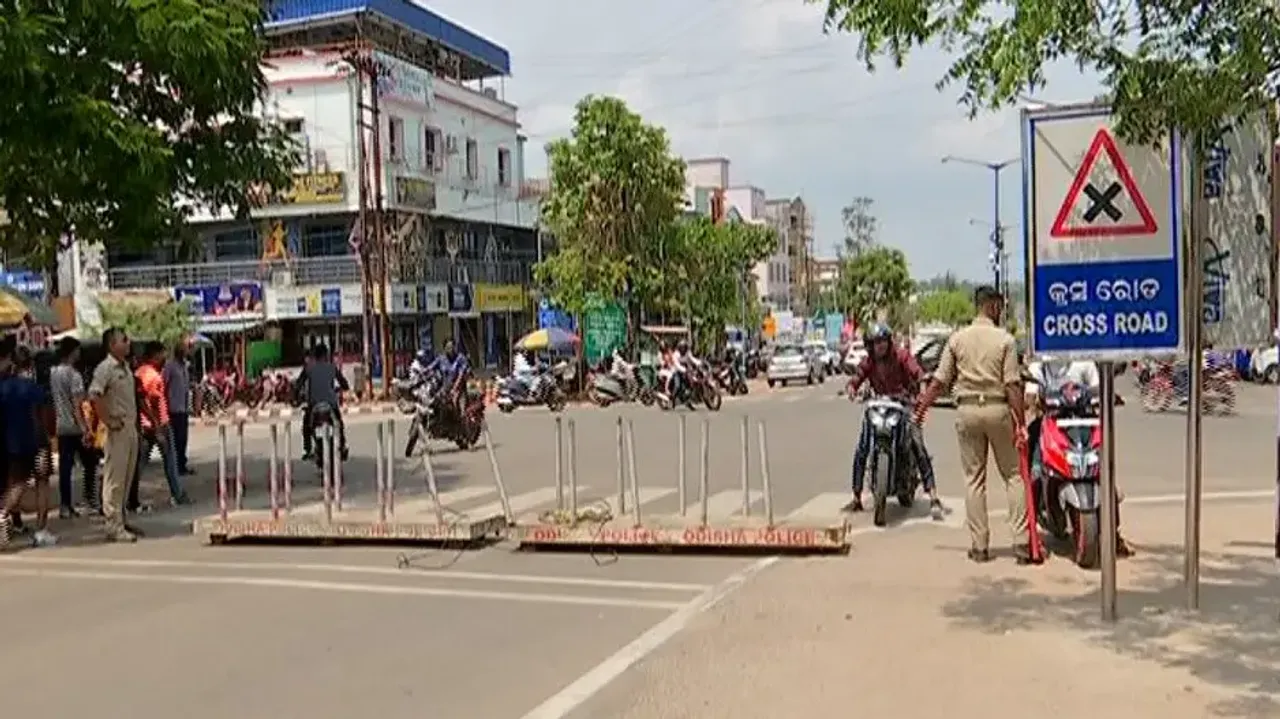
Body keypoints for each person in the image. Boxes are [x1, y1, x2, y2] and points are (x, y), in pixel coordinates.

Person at [916, 286, 1038, 564]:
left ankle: (980, 547)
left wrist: (921, 408)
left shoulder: (957, 340)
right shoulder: (1005, 341)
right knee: (1013, 476)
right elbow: (1012, 386)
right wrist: (1020, 423)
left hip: (967, 410)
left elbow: (940, 380)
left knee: (974, 480)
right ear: (993, 307)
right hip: (997, 409)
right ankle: (1021, 543)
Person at [845, 324, 943, 520]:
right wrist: (851, 387)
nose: (879, 346)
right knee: (863, 446)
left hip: (903, 405)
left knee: (917, 444)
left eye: (882, 342)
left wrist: (922, 386)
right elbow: (857, 377)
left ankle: (933, 496)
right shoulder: (869, 362)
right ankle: (856, 496)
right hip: (878, 406)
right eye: (875, 343)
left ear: (888, 342)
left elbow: (917, 372)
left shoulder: (901, 356)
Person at [0, 346, 56, 547]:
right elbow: (46, 418)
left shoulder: (4, 387)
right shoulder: (33, 388)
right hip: (37, 442)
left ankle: (9, 518)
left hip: (11, 443)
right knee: (40, 484)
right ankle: (40, 529)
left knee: (15, 483)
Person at [89, 327, 141, 543]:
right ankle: (113, 524)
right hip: (117, 429)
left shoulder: (126, 368)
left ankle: (121, 519)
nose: (128, 343)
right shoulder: (105, 368)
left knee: (127, 477)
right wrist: (108, 420)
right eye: (124, 340)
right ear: (112, 345)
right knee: (115, 480)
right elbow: (94, 395)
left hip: (130, 427)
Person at [132, 341, 189, 508]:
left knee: (139, 463)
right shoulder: (154, 377)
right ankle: (177, 494)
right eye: (162, 353)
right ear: (155, 355)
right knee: (170, 461)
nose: (165, 357)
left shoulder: (139, 372)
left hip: (144, 424)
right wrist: (158, 426)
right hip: (159, 424)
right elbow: (154, 403)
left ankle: (130, 497)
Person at [51, 337, 94, 518]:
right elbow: (78, 404)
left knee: (65, 469)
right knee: (90, 463)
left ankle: (65, 505)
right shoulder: (74, 376)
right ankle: (89, 499)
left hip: (61, 425)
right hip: (75, 427)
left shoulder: (53, 373)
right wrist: (85, 428)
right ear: (72, 352)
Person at [295, 344, 349, 457]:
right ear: (326, 354)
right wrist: (341, 389)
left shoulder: (308, 368)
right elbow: (344, 384)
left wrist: (296, 399)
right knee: (339, 423)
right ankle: (342, 445)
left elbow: (298, 385)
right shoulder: (332, 367)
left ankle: (307, 449)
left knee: (306, 425)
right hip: (330, 403)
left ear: (314, 356)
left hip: (314, 404)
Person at [162, 337, 193, 475]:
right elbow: (163, 385)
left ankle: (182, 465)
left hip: (183, 408)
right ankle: (175, 467)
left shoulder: (185, 367)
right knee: (175, 440)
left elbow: (186, 387)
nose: (187, 352)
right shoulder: (170, 366)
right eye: (185, 349)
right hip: (173, 409)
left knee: (183, 439)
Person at [428, 339, 470, 414]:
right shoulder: (441, 358)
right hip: (445, 388)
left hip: (459, 388)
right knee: (434, 402)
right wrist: (421, 372)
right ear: (444, 348)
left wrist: (454, 389)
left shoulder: (460, 358)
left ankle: (462, 423)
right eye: (448, 347)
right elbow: (430, 367)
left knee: (456, 405)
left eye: (452, 347)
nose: (450, 349)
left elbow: (460, 375)